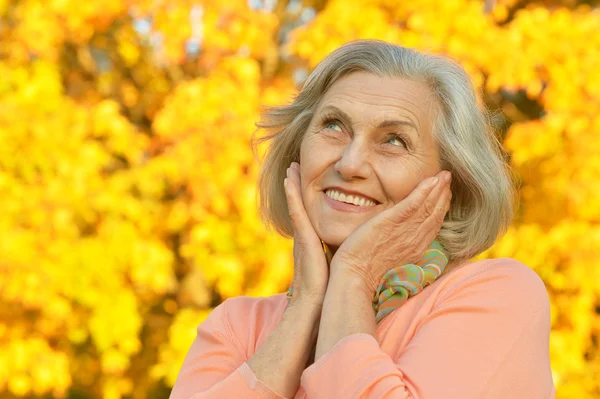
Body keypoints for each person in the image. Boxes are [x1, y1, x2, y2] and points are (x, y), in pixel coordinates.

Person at [169, 40, 555, 399]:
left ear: (452, 182)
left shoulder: (499, 296)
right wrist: (305, 304)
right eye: (334, 126)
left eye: (393, 140)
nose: (350, 164)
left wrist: (353, 275)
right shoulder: (237, 325)